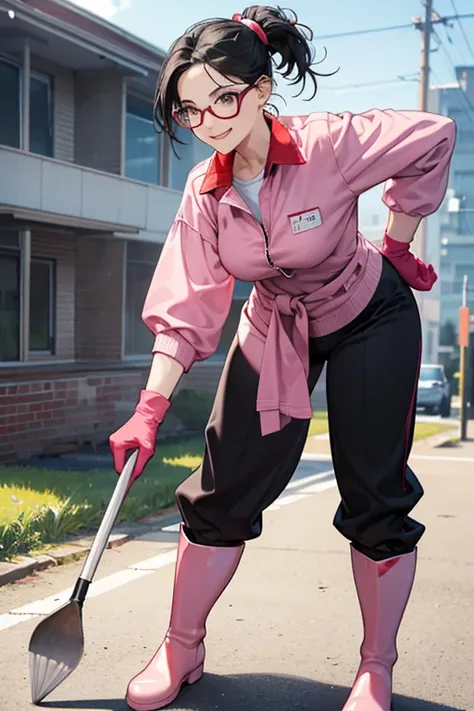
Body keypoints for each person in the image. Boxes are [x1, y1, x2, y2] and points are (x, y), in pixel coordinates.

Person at [109, 6, 456, 711]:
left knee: (374, 490)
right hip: (274, 324)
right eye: (189, 109)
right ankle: (181, 644)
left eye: (223, 99)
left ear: (262, 91)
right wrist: (149, 408)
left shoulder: (329, 145)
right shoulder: (205, 196)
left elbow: (432, 137)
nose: (208, 121)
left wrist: (397, 241)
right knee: (220, 487)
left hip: (368, 313)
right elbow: (187, 304)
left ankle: (374, 667)